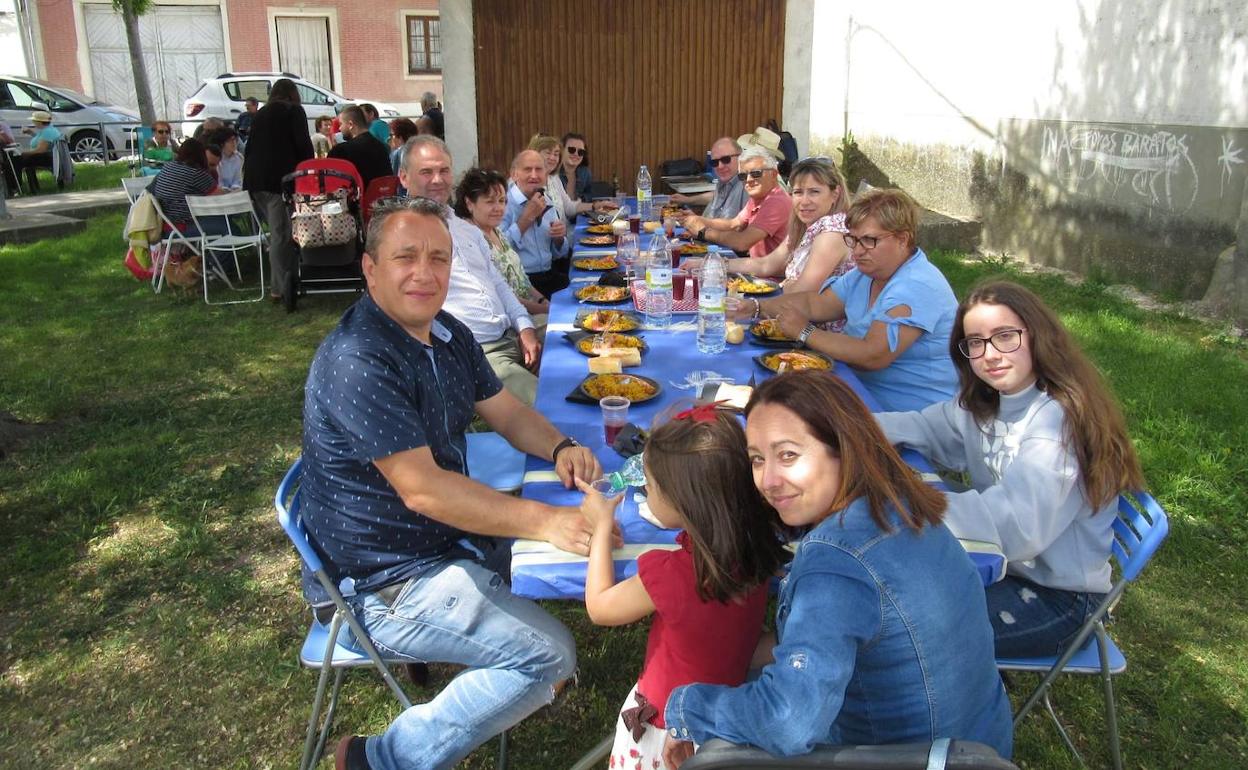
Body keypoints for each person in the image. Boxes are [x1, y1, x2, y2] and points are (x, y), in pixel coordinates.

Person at [303, 196, 614, 770]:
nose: (425, 273)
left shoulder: (444, 331)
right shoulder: (359, 359)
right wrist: (546, 521)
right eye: (406, 257)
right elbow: (423, 490)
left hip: (437, 541)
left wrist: (560, 446)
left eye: (439, 258)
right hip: (379, 584)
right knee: (550, 656)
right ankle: (380, 759)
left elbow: (507, 411)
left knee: (578, 566)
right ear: (371, 269)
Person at [661, 372, 1013, 767]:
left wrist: (685, 708)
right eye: (758, 459)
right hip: (979, 748)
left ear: (843, 449)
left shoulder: (836, 563)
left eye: (789, 455)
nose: (769, 481)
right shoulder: (902, 504)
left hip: (905, 758)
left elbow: (787, 721)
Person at [875, 281, 1145, 658]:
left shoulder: (1057, 424)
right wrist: (840, 428)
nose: (990, 354)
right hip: (1003, 568)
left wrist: (909, 504)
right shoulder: (989, 401)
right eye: (975, 343)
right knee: (879, 597)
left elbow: (1015, 526)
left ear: (1037, 337)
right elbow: (924, 427)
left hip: (1060, 599)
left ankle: (952, 707)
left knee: (889, 630)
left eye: (1005, 337)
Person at [578, 409, 789, 770]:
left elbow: (600, 607)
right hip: (724, 722)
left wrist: (601, 526)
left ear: (686, 503)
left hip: (663, 727)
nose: (647, 488)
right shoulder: (755, 550)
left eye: (652, 485)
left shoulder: (673, 572)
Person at [735, 188, 958, 412]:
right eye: (853, 240)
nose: (857, 251)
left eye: (869, 240)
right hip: (856, 388)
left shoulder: (915, 285)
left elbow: (872, 355)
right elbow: (816, 304)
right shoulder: (867, 274)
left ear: (903, 239)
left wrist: (805, 332)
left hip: (906, 412)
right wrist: (755, 307)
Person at [399, 137, 543, 405]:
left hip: (510, 330)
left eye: (443, 170)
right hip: (477, 351)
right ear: (404, 177)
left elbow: (498, 284)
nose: (437, 180)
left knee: (582, 339)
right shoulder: (401, 237)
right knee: (545, 401)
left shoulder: (466, 229)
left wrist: (524, 326)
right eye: (426, 171)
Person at [684, 157, 852, 300]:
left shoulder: (833, 232)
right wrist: (712, 264)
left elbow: (803, 290)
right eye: (798, 192)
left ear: (835, 194)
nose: (804, 201)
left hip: (814, 331)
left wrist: (784, 286)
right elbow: (765, 265)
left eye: (814, 192)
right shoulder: (805, 226)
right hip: (792, 312)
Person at [243, 77, 314, 303]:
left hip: (255, 181)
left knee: (280, 232)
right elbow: (304, 146)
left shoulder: (261, 114)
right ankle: (279, 288)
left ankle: (289, 278)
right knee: (281, 235)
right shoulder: (293, 112)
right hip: (278, 181)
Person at [454, 167, 549, 317]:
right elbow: (500, 295)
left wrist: (543, 301)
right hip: (509, 320)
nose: (498, 208)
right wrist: (544, 311)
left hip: (531, 310)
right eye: (490, 202)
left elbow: (522, 280)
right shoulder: (470, 240)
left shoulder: (496, 231)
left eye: (502, 201)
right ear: (469, 203)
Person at [680, 145, 791, 268]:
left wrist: (703, 232)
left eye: (756, 173)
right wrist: (699, 220)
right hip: (756, 269)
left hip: (770, 279)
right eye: (743, 176)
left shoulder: (776, 202)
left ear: (774, 174)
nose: (748, 180)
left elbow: (741, 242)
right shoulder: (759, 196)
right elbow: (734, 224)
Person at [502, 149, 570, 299]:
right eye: (527, 169)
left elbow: (560, 252)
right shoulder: (504, 204)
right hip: (521, 283)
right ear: (514, 174)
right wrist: (526, 218)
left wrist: (559, 239)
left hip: (549, 275)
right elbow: (499, 251)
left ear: (545, 175)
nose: (534, 175)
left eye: (539, 170)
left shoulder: (545, 199)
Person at [671, 136, 747, 221]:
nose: (720, 166)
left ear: (741, 157)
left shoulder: (747, 186)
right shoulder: (722, 184)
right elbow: (714, 219)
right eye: (714, 162)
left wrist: (702, 225)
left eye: (726, 159)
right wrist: (698, 219)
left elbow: (734, 230)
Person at [150, 137, 216, 230]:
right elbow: (218, 193)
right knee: (228, 225)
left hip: (163, 222)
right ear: (201, 155)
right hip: (183, 225)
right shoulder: (196, 173)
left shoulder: (168, 166)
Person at [328, 105, 392, 188]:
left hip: (357, 198)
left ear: (350, 124)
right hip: (382, 197)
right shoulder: (382, 147)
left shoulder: (341, 150)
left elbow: (330, 182)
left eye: (341, 124)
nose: (339, 128)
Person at [527, 133, 575, 224]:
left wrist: (594, 206)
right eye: (548, 153)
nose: (552, 158)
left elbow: (568, 207)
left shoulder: (554, 178)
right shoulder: (524, 183)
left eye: (556, 154)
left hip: (564, 235)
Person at [16, 110, 62, 193]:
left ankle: (16, 186)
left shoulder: (47, 132)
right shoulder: (48, 129)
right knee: (19, 159)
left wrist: (23, 153)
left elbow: (41, 150)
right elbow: (40, 140)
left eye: (34, 121)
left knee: (16, 161)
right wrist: (31, 133)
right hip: (48, 156)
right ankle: (23, 186)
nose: (33, 122)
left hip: (47, 158)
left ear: (39, 122)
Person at [558, 132, 595, 216]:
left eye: (580, 152)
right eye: (571, 150)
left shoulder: (585, 173)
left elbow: (589, 195)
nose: (576, 154)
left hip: (578, 218)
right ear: (561, 150)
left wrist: (582, 200)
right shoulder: (554, 174)